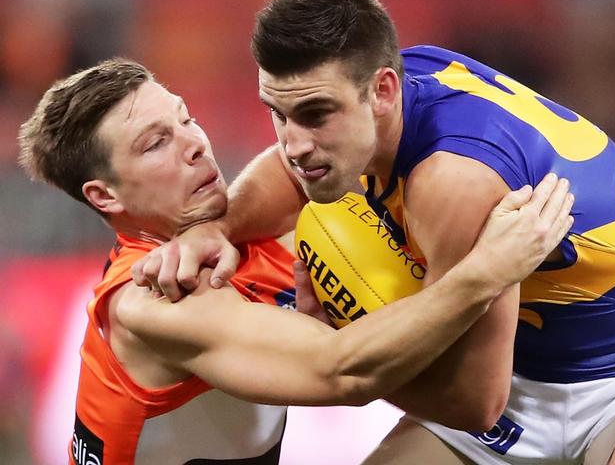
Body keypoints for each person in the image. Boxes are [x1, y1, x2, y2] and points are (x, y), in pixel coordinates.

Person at [133, 0, 615, 464]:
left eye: (315, 114)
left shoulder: (453, 182)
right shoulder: (397, 84)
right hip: (521, 372)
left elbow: (474, 404)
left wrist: (343, 338)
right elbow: (292, 170)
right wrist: (217, 228)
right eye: (278, 113)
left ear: (382, 91)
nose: (292, 142)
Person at [17, 59, 571, 465]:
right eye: (155, 143)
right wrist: (489, 269)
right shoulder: (157, 300)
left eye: (185, 119)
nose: (194, 144)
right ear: (105, 196)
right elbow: (344, 371)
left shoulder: (242, 239)